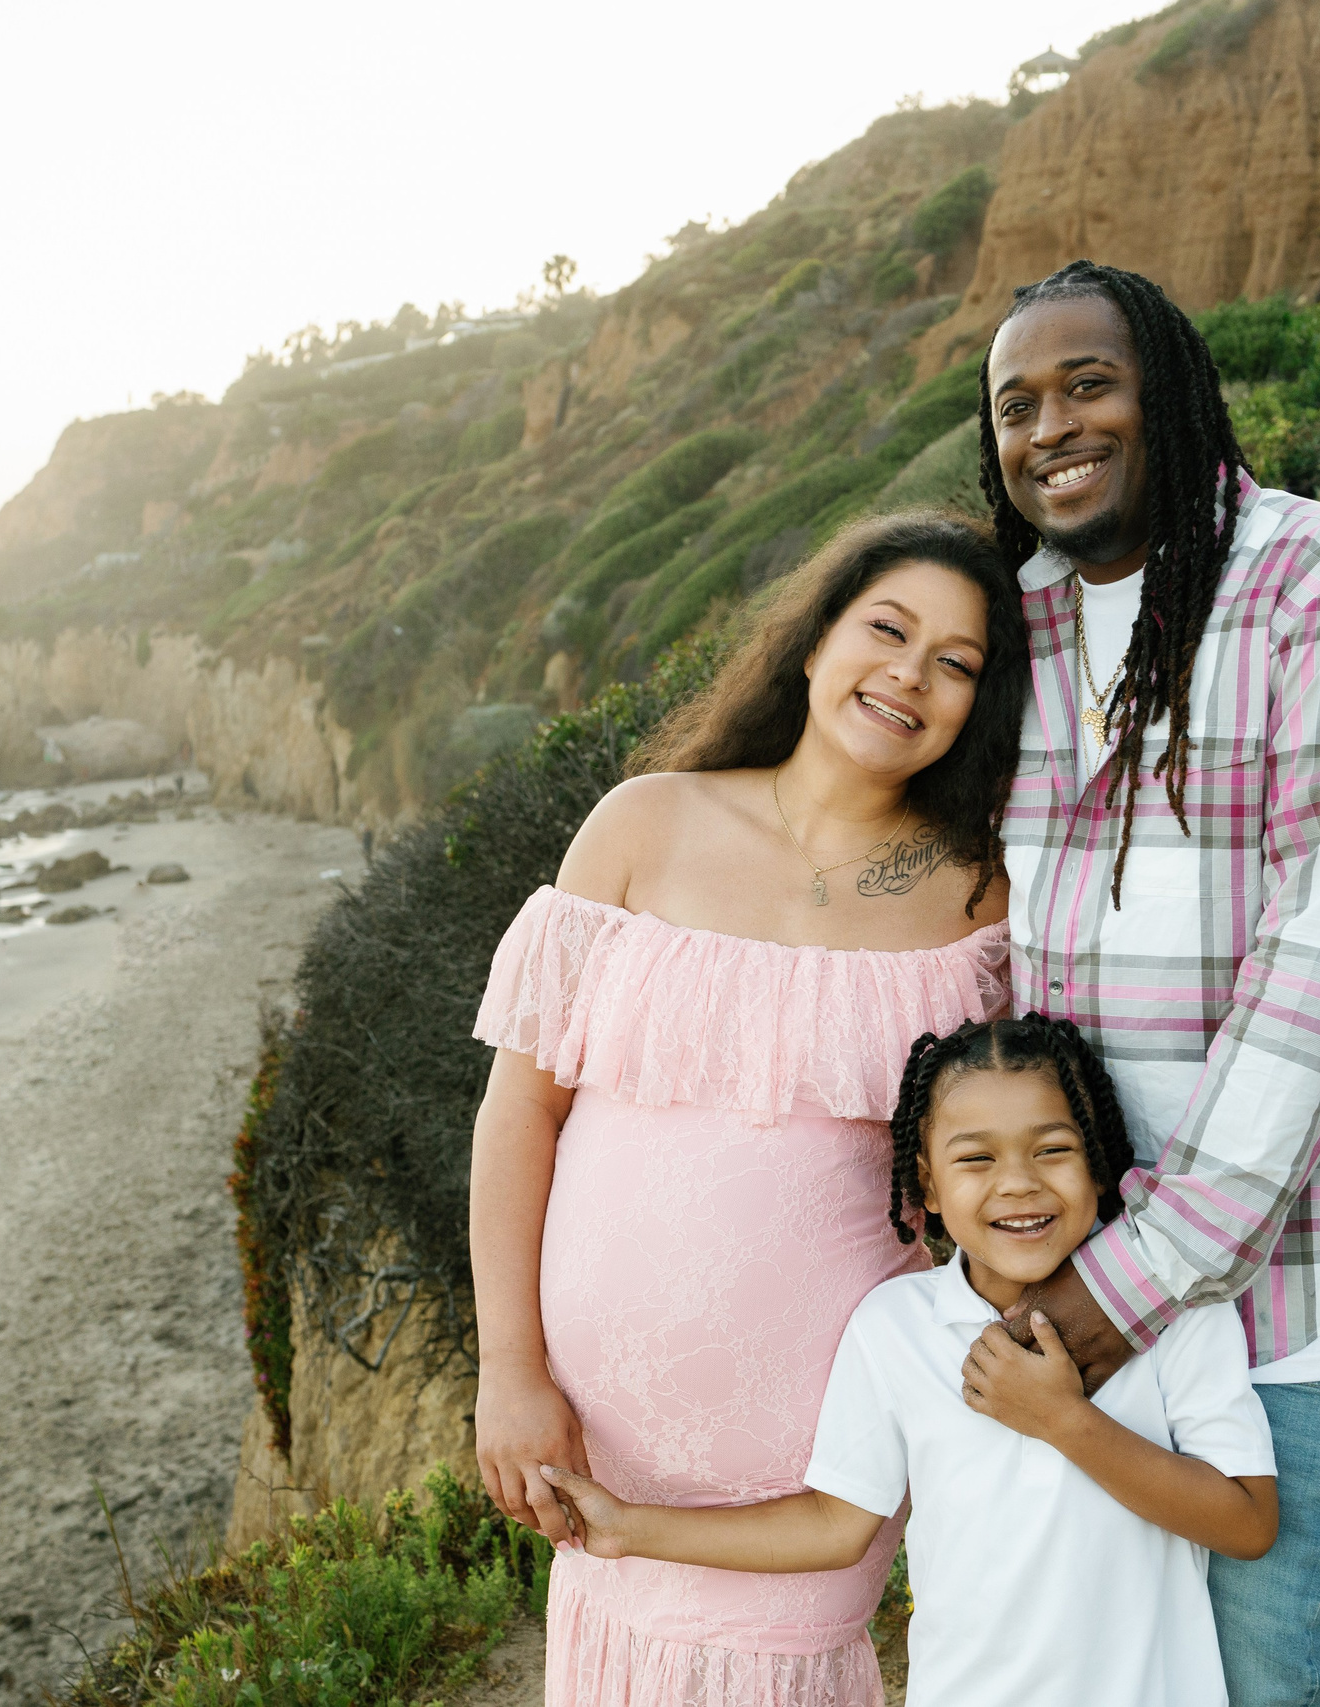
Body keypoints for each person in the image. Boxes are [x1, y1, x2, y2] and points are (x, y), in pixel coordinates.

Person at [973, 259, 1320, 1705]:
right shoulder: (1016, 623)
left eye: (1087, 383)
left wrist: (1121, 1284)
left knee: (1276, 1687)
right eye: (1015, 404)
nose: (1049, 426)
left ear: (1172, 393)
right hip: (1067, 1282)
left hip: (1304, 1309)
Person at [467, 510, 1023, 1706]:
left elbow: (1005, 1160)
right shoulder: (642, 825)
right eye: (887, 628)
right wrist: (509, 1367)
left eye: (957, 664)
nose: (909, 675)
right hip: (595, 1433)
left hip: (820, 1448)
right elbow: (521, 1112)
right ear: (816, 640)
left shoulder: (979, 897)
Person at [538, 1014, 1278, 1707]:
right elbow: (835, 1523)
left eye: (1052, 1148)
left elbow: (1248, 1522)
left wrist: (1064, 1421)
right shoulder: (895, 1327)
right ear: (925, 1181)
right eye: (976, 1158)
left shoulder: (1178, 1317)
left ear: (1100, 1160)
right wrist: (631, 1527)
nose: (1018, 1181)